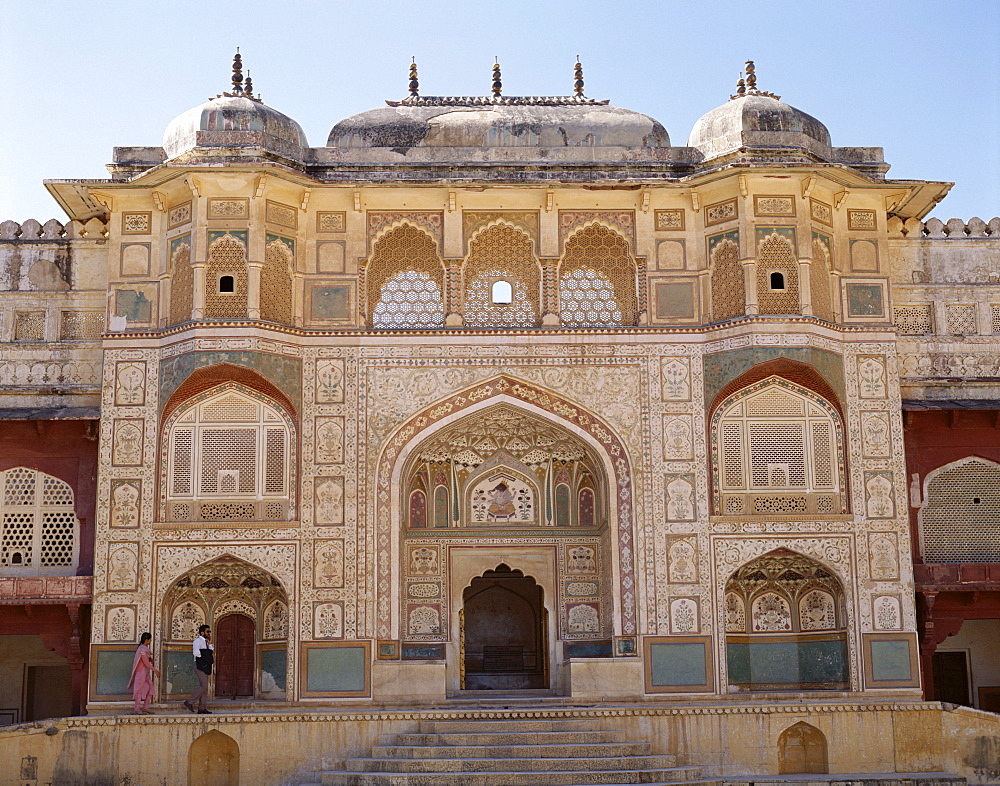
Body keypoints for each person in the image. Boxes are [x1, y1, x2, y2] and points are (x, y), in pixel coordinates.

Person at [183, 624, 213, 714]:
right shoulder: (197, 641)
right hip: (200, 665)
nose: (209, 633)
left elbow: (211, 650)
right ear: (202, 632)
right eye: (207, 632)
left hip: (205, 665)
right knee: (204, 686)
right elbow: (196, 653)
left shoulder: (206, 642)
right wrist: (205, 654)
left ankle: (202, 708)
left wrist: (208, 645)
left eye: (209, 632)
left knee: (205, 687)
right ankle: (189, 702)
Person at [127, 632, 159, 715]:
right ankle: (137, 709)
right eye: (150, 639)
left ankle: (145, 707)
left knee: (150, 689)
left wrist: (150, 659)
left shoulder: (143, 649)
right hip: (141, 674)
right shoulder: (142, 649)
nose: (150, 641)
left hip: (145, 673)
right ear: (147, 640)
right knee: (139, 690)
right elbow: (145, 662)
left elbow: (146, 660)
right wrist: (155, 670)